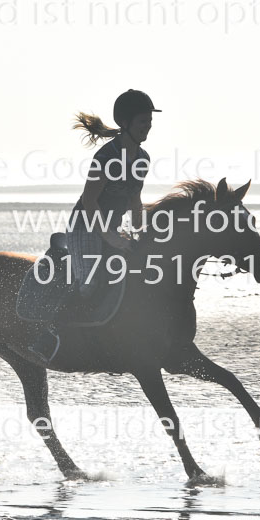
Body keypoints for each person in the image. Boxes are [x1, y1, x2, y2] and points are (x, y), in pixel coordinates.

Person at [29, 89, 160, 363]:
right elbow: (90, 202)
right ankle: (48, 335)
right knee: (88, 284)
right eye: (142, 122)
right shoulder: (106, 157)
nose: (148, 126)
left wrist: (140, 228)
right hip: (86, 226)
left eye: (149, 121)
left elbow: (134, 197)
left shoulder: (143, 158)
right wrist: (111, 238)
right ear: (125, 123)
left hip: (112, 228)